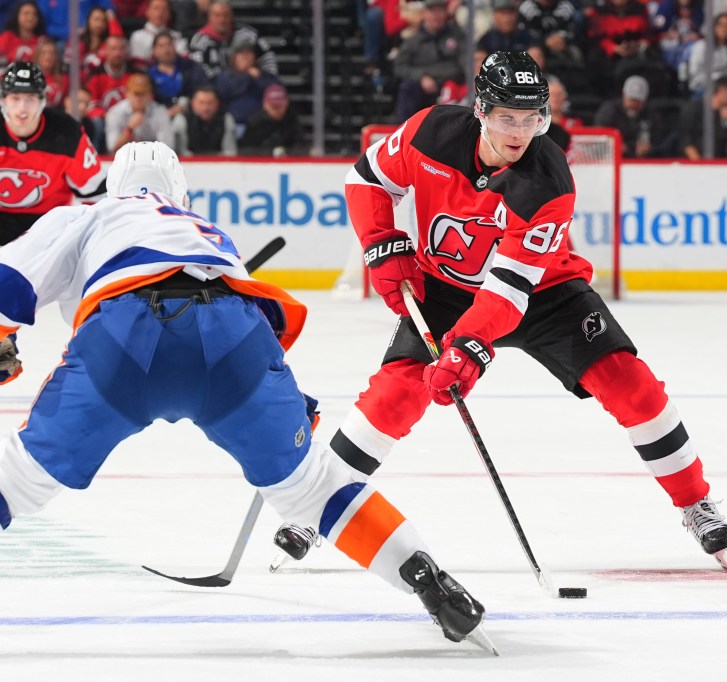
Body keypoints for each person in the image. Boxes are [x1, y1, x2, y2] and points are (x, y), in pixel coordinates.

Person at [0, 140, 495, 654]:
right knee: (310, 487)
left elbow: (10, 279)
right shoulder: (205, 231)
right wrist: (284, 400)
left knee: (18, 479)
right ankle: (429, 579)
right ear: (181, 193)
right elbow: (254, 322)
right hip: (235, 341)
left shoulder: (89, 215)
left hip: (124, 338)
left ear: (113, 187)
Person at [308, 51, 727, 572]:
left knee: (632, 385)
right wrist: (381, 243)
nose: (519, 132)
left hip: (545, 292)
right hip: (447, 288)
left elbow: (510, 291)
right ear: (481, 111)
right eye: (507, 118)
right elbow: (366, 179)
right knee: (395, 394)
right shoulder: (430, 132)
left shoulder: (548, 181)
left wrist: (466, 346)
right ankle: (316, 506)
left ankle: (695, 502)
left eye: (531, 118)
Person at [0, 62, 105, 245]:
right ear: (3, 100)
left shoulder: (67, 132)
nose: (22, 108)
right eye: (15, 98)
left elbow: (97, 195)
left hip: (49, 230)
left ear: (42, 101)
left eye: (30, 99)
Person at [594, 74, 671, 158]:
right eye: (631, 99)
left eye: (638, 100)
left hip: (643, 160)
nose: (634, 104)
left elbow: (660, 140)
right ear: (624, 95)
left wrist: (650, 147)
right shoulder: (609, 110)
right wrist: (613, 144)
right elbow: (600, 132)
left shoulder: (652, 115)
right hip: (611, 157)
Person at [104, 72, 174, 154]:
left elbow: (167, 147)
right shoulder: (116, 112)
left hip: (152, 157)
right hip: (125, 157)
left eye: (143, 94)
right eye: (136, 94)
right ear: (127, 94)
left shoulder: (159, 112)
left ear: (150, 95)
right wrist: (129, 130)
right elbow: (112, 149)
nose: (139, 98)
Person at [238, 83, 303, 157]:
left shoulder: (291, 121)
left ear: (286, 104)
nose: (277, 110)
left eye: (280, 106)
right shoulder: (255, 123)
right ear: (265, 105)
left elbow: (299, 146)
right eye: (274, 106)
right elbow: (247, 150)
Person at [173, 84, 237, 156]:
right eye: (201, 103)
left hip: (219, 161)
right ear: (193, 104)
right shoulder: (181, 120)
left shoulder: (226, 120)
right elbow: (180, 152)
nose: (205, 108)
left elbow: (230, 152)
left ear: (217, 104)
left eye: (210, 103)